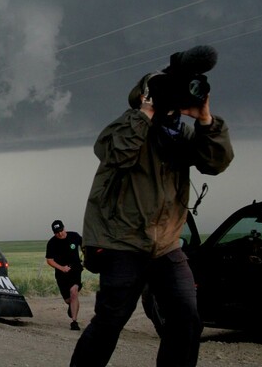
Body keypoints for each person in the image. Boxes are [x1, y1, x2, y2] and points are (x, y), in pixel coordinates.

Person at [70, 72, 234, 367]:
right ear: (144, 95)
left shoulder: (180, 135)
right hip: (124, 242)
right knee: (110, 321)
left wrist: (205, 119)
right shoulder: (126, 125)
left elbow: (215, 162)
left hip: (166, 246)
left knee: (187, 320)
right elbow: (115, 153)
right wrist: (145, 112)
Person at [46, 219, 83, 331]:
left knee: (74, 291)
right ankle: (71, 305)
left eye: (61, 230)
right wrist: (62, 268)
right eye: (57, 232)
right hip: (61, 273)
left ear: (64, 228)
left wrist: (86, 258)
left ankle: (74, 322)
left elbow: (84, 246)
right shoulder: (52, 243)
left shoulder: (74, 236)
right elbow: (49, 260)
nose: (60, 234)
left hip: (75, 269)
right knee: (69, 299)